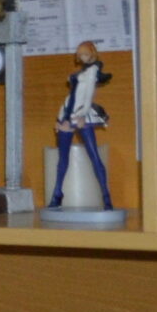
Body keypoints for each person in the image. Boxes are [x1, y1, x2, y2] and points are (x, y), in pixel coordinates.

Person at [52, 40, 113, 208]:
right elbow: (71, 97)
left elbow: (88, 96)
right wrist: (61, 118)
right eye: (80, 55)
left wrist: (83, 115)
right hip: (68, 112)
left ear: (91, 54)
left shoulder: (92, 71)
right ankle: (57, 193)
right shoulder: (83, 72)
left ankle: (106, 195)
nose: (83, 57)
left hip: (80, 113)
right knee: (62, 159)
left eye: (85, 54)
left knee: (94, 156)